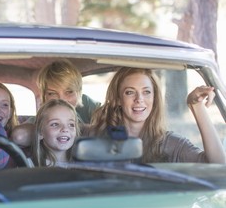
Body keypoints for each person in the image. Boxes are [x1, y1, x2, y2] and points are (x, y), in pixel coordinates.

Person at [89, 67, 226, 164]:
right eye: (130, 92)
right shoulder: (94, 136)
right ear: (118, 99)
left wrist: (196, 106)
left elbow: (218, 165)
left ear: (154, 98)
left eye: (146, 92)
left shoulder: (171, 143)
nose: (139, 99)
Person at [11, 59, 100, 147]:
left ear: (78, 93)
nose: (61, 99)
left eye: (69, 92)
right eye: (52, 93)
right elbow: (19, 136)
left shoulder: (87, 104)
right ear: (44, 97)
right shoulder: (40, 120)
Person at [31, 99, 80, 167]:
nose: (65, 129)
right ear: (40, 132)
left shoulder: (85, 166)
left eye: (71, 124)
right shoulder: (28, 165)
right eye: (55, 124)